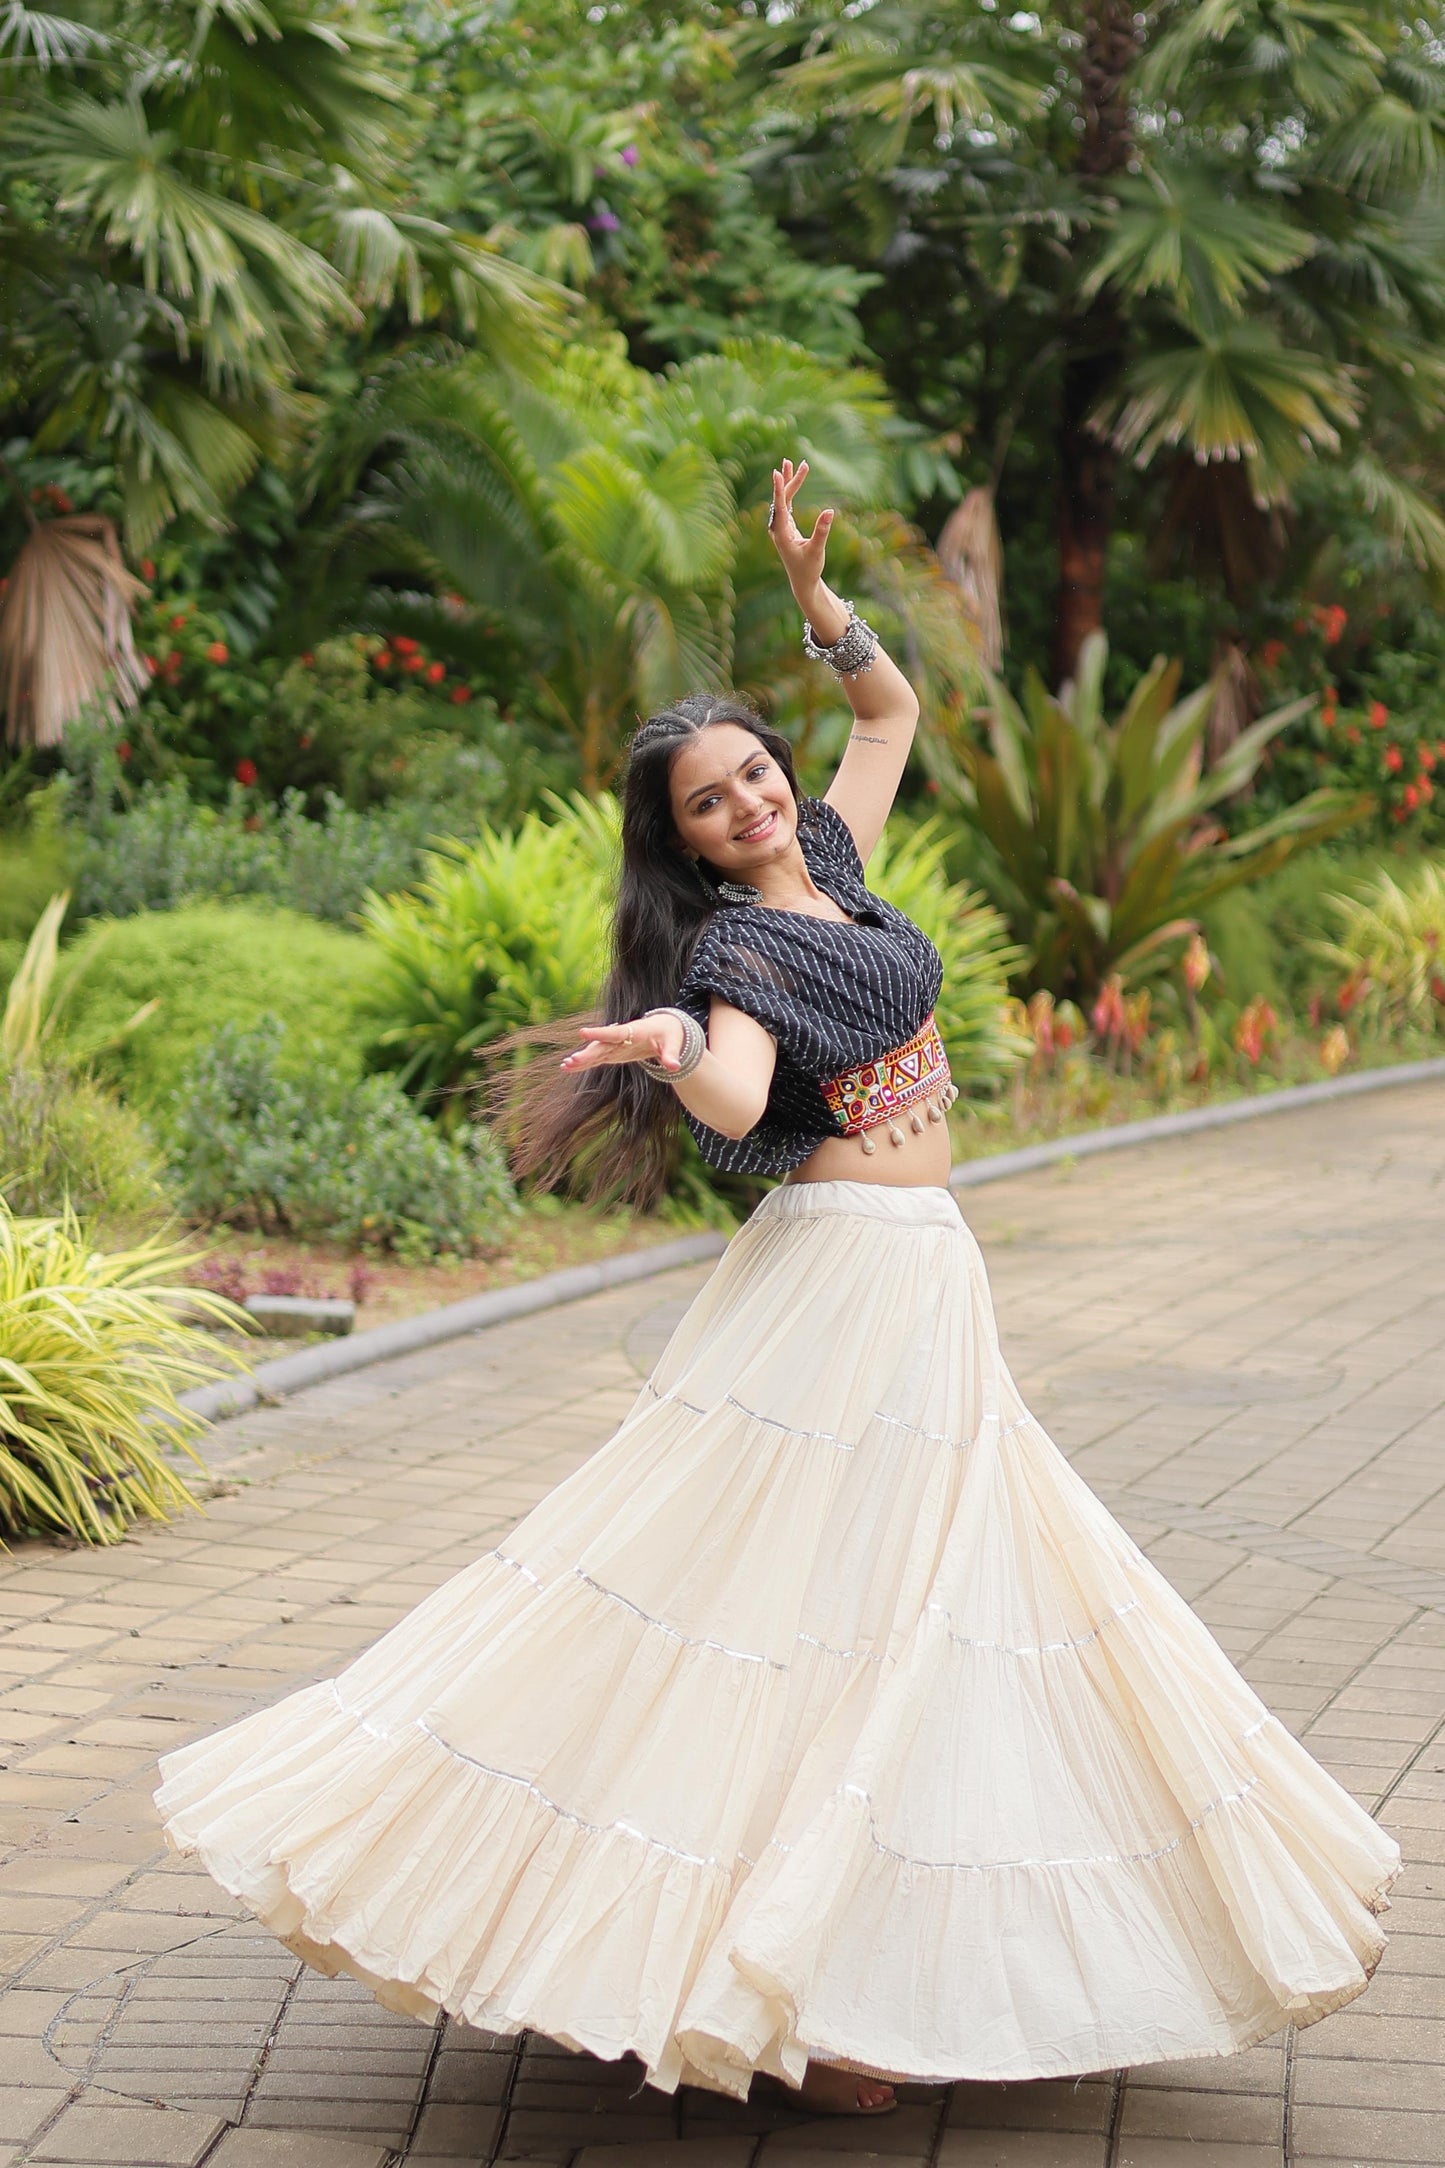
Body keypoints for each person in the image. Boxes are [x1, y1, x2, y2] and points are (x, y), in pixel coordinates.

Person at [156, 461, 1399, 2120]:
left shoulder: (834, 851)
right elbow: (741, 1100)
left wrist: (821, 615)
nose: (745, 804)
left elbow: (883, 718)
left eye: (751, 773)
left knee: (916, 1608)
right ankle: (802, 1995)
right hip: (840, 1279)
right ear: (677, 842)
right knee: (834, 1609)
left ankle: (837, 1969)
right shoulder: (738, 948)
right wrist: (668, 1041)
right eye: (708, 803)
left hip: (919, 1277)